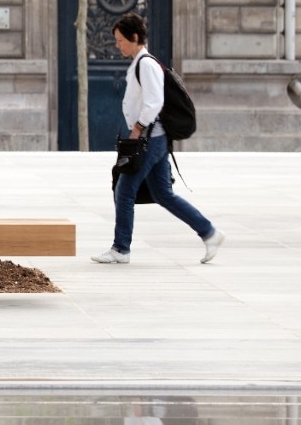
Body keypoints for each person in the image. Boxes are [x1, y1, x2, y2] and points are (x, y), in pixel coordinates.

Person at [93, 13, 224, 265]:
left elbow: (155, 102)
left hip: (150, 139)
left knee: (124, 190)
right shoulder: (140, 63)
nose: (117, 45)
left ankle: (121, 249)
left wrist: (137, 129)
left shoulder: (147, 65)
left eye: (120, 40)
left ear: (134, 38)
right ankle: (209, 233)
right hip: (154, 138)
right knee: (163, 194)